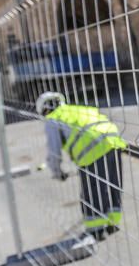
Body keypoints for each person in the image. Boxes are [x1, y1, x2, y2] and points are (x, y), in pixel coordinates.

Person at [36, 91, 127, 240]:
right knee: (112, 185)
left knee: (92, 190)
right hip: (113, 140)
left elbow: (54, 152)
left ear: (44, 111)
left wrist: (57, 172)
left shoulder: (52, 120)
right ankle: (112, 222)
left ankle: (96, 230)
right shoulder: (77, 109)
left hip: (91, 149)